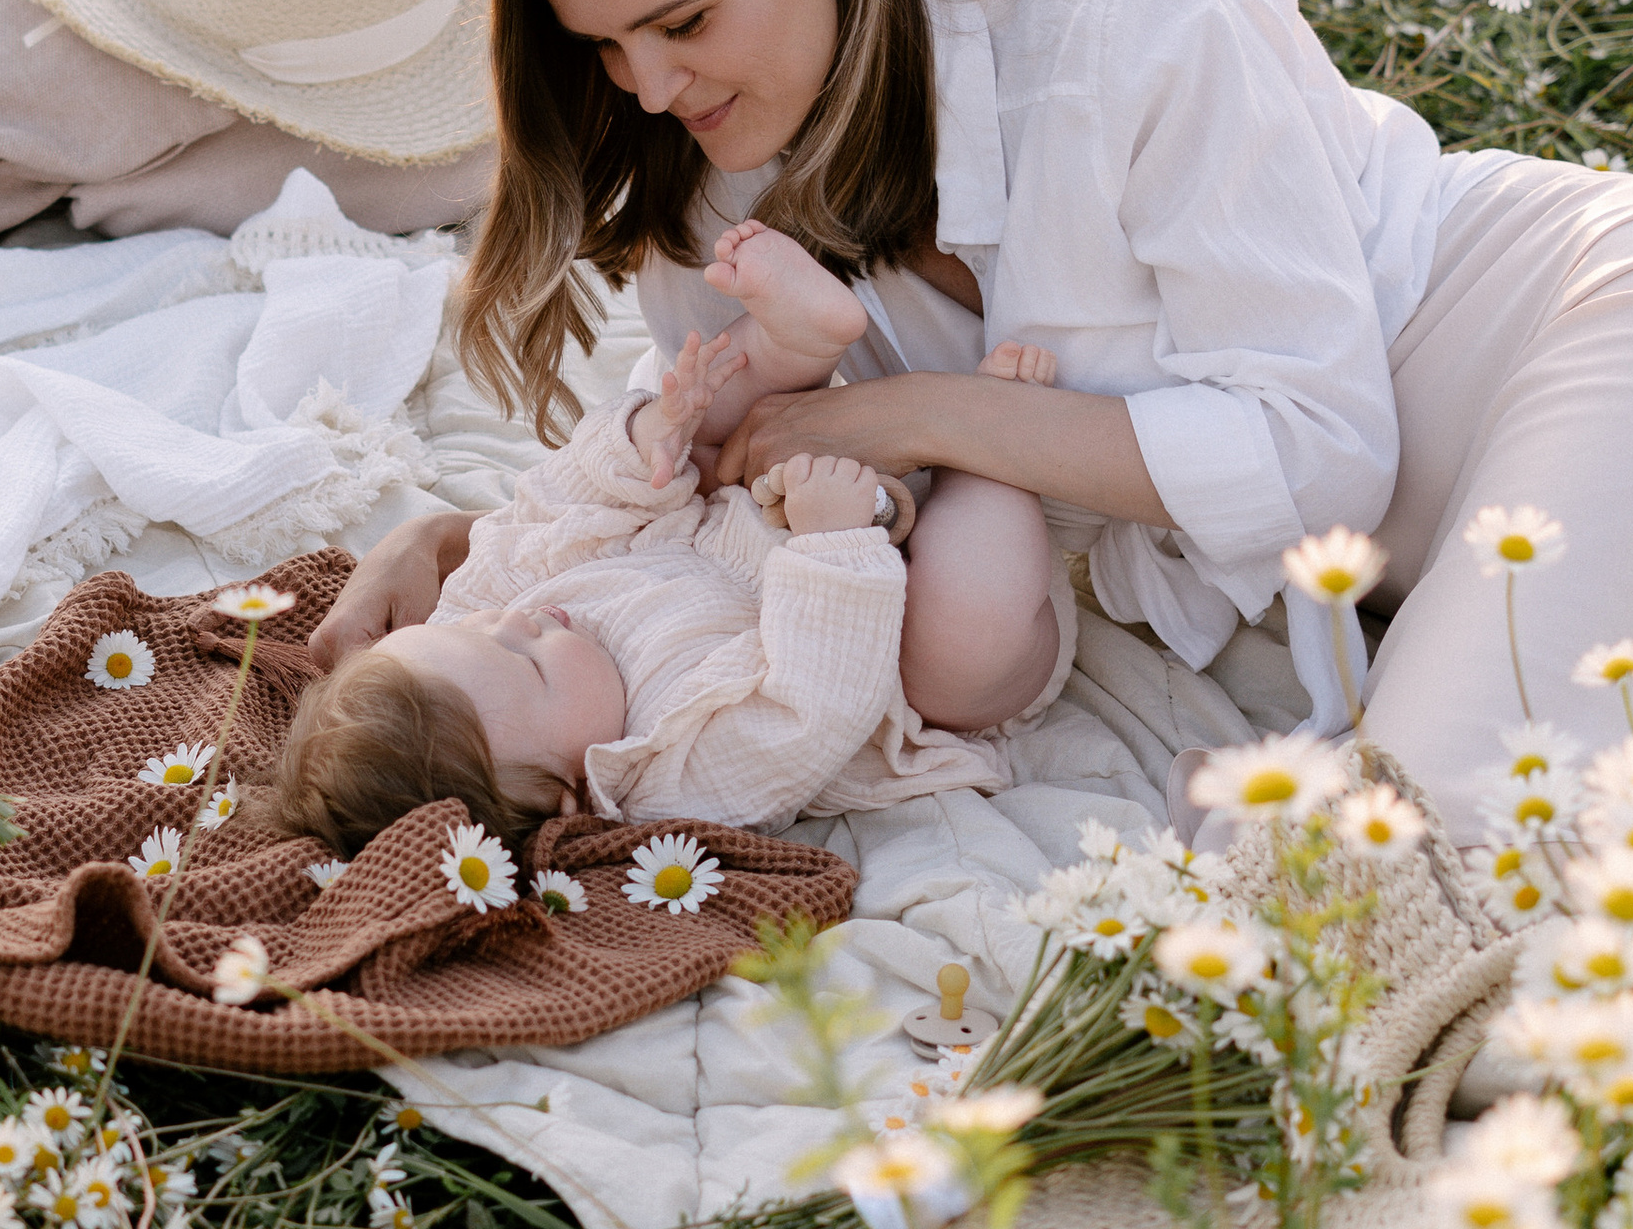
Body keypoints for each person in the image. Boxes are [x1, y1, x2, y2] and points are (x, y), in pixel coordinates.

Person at [310, 0, 1633, 832]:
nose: (646, 87)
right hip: (1400, 555)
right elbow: (748, 496)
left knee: (1451, 856)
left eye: (682, 21)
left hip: (1555, 328)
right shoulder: (708, 179)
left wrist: (924, 412)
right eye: (603, 47)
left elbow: (1320, 453)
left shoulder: (1130, 14)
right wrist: (475, 556)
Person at [262, 252, 1071, 855]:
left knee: (690, 424)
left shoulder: (502, 618)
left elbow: (552, 508)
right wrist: (831, 544)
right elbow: (813, 703)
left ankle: (797, 338)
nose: (520, 618)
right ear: (572, 797)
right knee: (968, 643)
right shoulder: (679, 771)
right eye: (531, 661)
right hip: (882, 628)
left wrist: (646, 442)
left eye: (476, 628)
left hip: (761, 496)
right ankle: (991, 449)